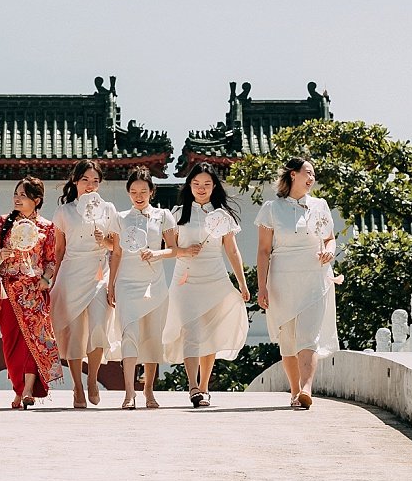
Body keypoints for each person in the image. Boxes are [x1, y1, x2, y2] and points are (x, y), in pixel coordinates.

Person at [157, 162, 250, 408]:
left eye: (207, 184)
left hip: (215, 280)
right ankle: (193, 386)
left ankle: (205, 386)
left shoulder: (222, 215)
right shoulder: (177, 213)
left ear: (214, 186)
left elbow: (232, 251)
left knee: (210, 333)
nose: (201, 188)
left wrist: (242, 283)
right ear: (189, 185)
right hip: (185, 281)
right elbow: (168, 249)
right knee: (191, 331)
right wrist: (185, 251)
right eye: (196, 183)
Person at [0, 177, 61, 408]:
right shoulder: (3, 222)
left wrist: (46, 279)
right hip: (7, 288)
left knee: (32, 341)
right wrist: (1, 254)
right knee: (11, 342)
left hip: (34, 290)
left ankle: (28, 389)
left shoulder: (47, 227)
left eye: (23, 195)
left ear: (36, 200)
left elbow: (50, 260)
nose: (17, 198)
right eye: (16, 194)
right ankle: (19, 389)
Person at [256, 157, 340, 410]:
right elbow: (263, 250)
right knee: (288, 339)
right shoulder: (272, 208)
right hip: (282, 280)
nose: (312, 178)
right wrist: (262, 286)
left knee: (308, 336)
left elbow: (330, 238)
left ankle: (306, 388)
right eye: (308, 172)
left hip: (314, 277)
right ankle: (294, 391)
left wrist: (330, 252)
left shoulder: (320, 205)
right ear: (293, 174)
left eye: (314, 174)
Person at [51, 159, 120, 409]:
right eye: (85, 180)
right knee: (75, 333)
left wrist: (104, 242)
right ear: (75, 181)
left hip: (99, 273)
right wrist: (53, 281)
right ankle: (77, 386)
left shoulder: (108, 209)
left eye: (95, 181)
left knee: (99, 326)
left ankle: (92, 379)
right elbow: (59, 250)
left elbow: (116, 246)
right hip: (71, 274)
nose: (90, 185)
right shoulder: (64, 212)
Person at [109, 166, 177, 409]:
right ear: (128, 192)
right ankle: (129, 392)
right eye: (134, 191)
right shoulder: (119, 218)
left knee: (152, 337)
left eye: (143, 191)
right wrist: (111, 285)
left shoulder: (163, 216)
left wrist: (156, 253)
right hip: (127, 283)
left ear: (151, 191)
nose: (139, 196)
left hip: (154, 284)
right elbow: (116, 253)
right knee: (129, 333)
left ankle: (148, 390)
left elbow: (174, 249)